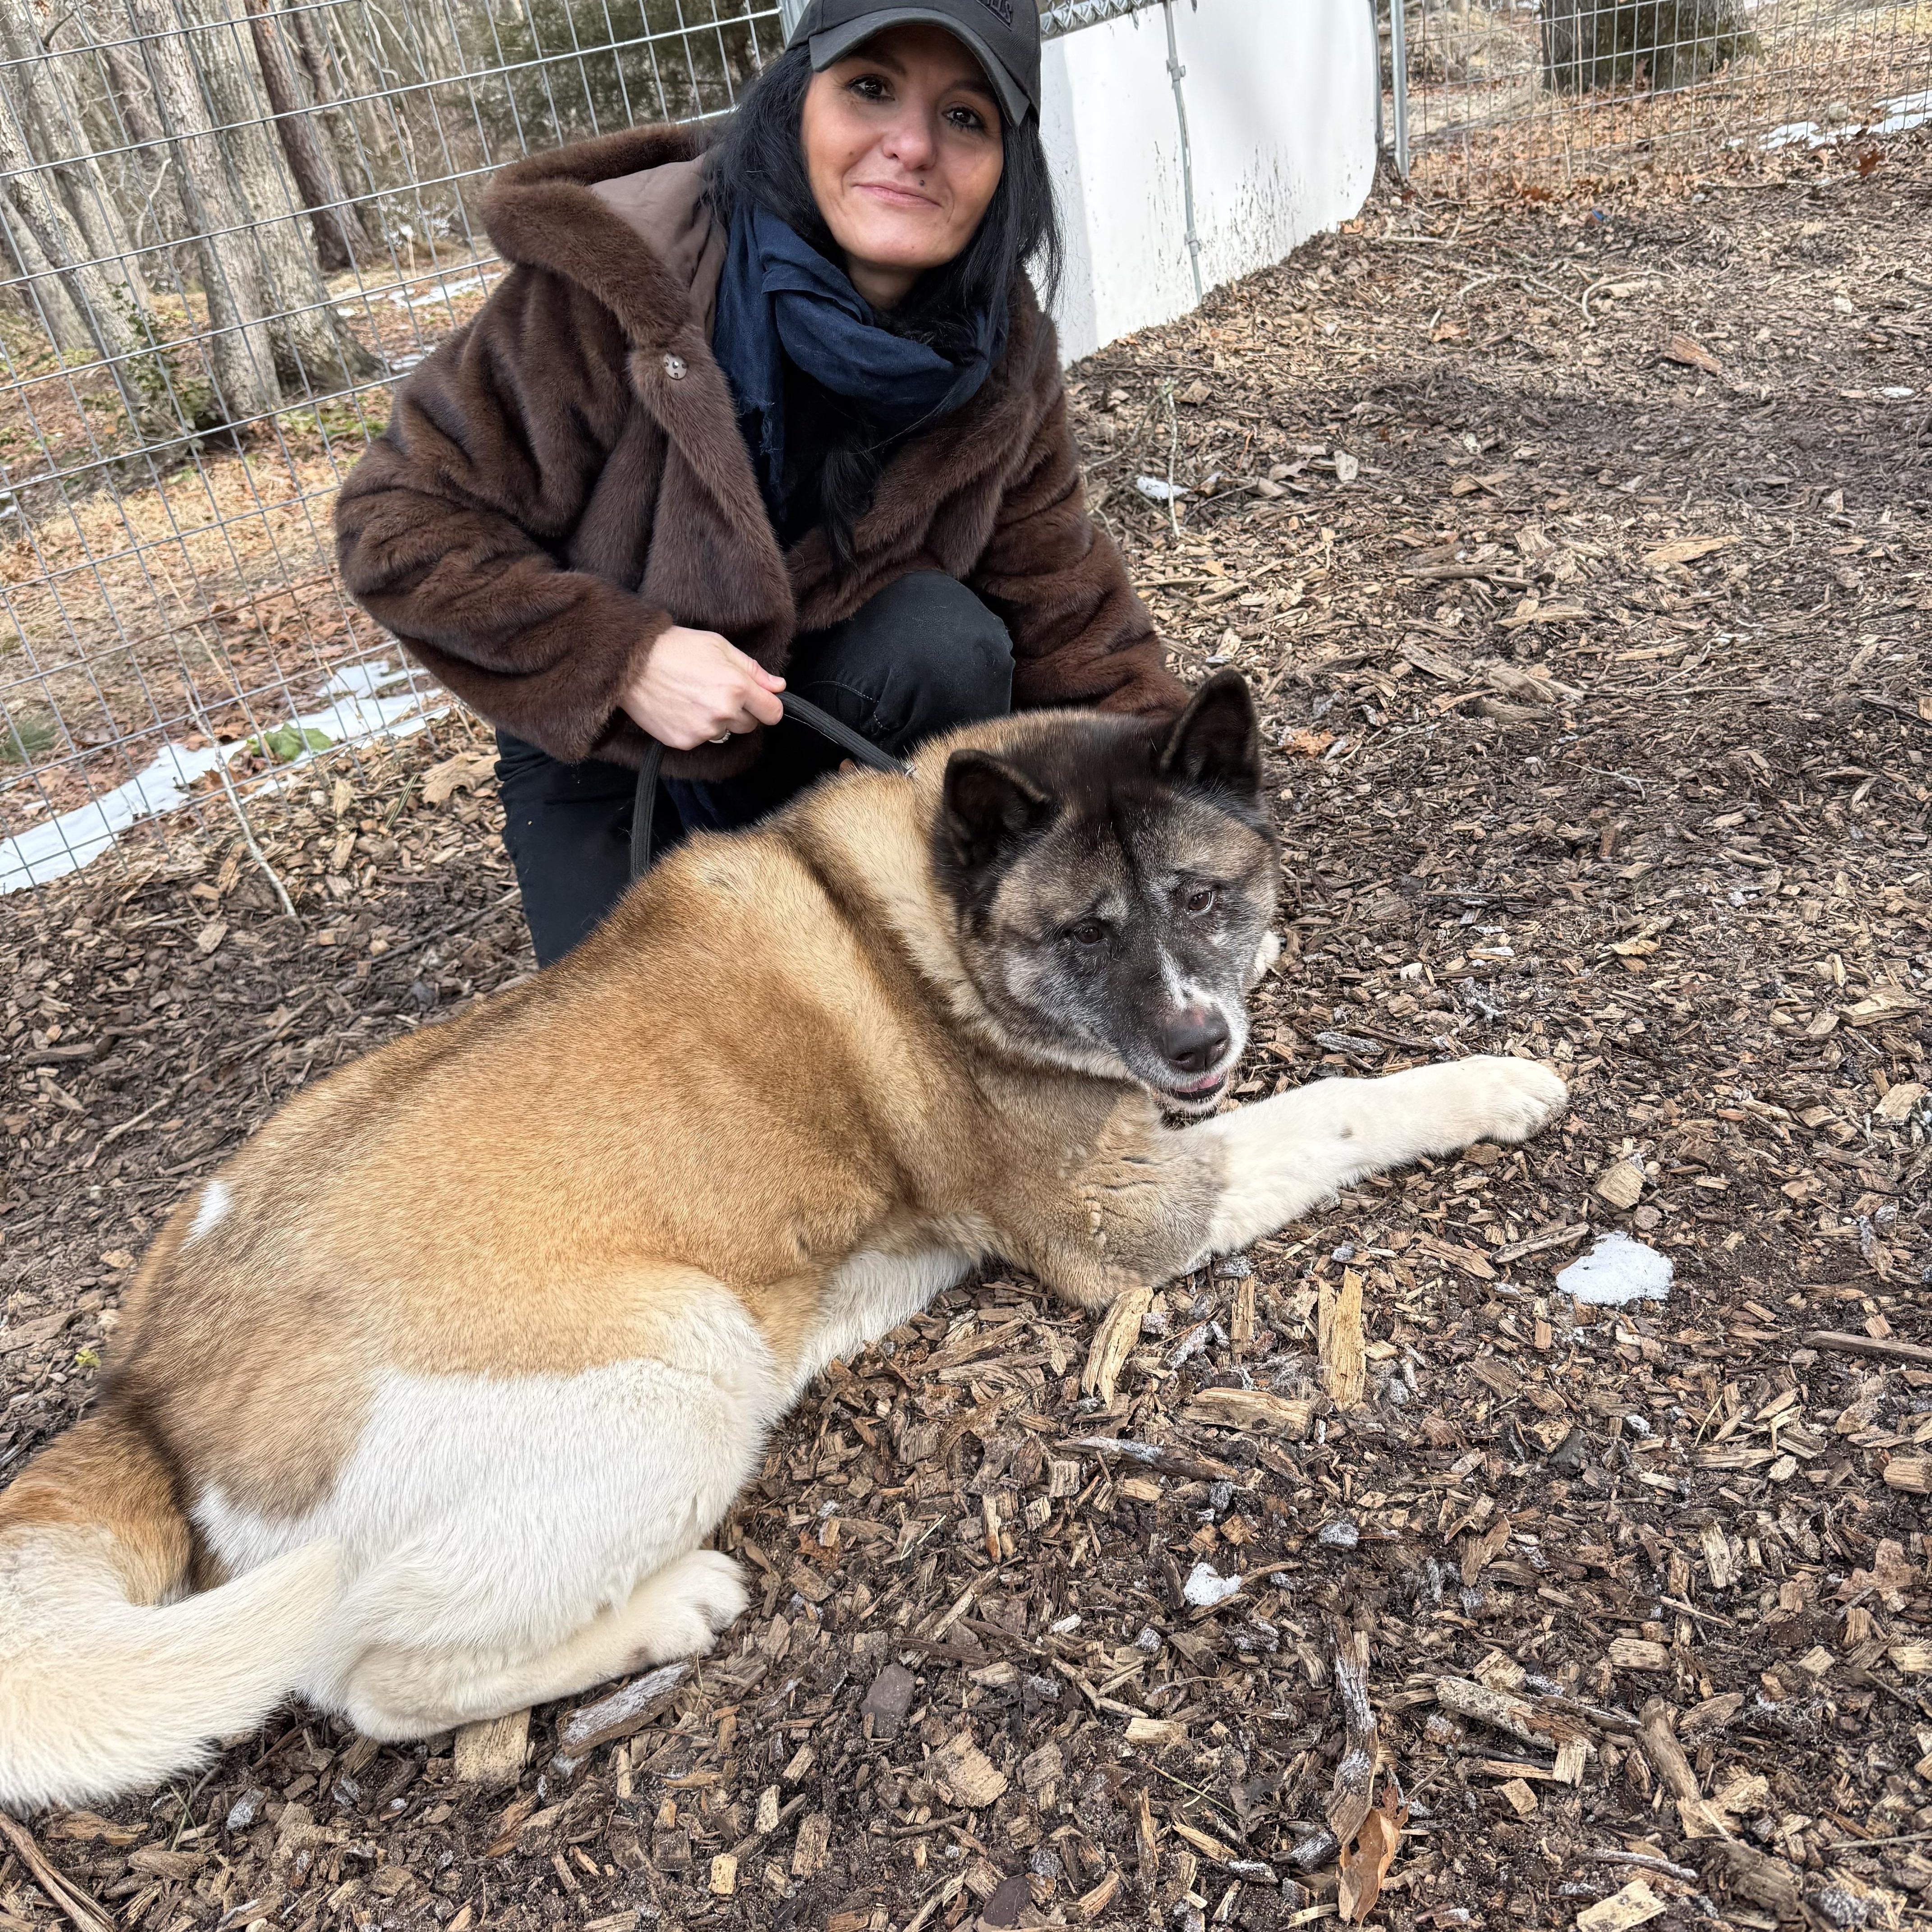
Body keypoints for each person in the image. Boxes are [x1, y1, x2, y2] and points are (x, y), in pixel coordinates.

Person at [335, 0, 1187, 967]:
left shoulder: (996, 347)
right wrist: (627, 658)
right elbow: (396, 521)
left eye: (965, 117)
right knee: (649, 1070)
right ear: (795, 103)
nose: (910, 146)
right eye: (870, 88)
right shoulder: (619, 280)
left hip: (816, 712)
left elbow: (1062, 600)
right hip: (617, 748)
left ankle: (878, 907)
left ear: (1009, 166)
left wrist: (1179, 811)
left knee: (943, 641)